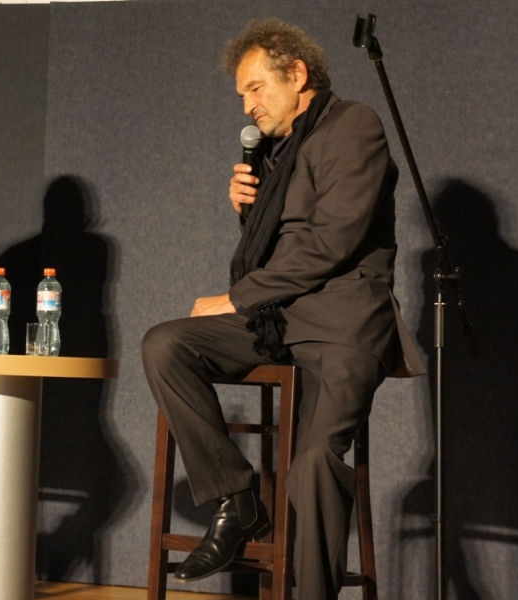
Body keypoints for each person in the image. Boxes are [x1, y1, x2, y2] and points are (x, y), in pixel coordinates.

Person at [141, 18, 426, 599]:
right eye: (242, 95)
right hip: (281, 318)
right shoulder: (276, 153)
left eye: (255, 88)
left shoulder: (354, 125)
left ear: (296, 74)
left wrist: (238, 297)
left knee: (314, 461)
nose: (248, 105)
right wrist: (249, 213)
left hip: (343, 324)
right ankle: (237, 498)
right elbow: (281, 248)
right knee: (166, 344)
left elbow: (333, 242)